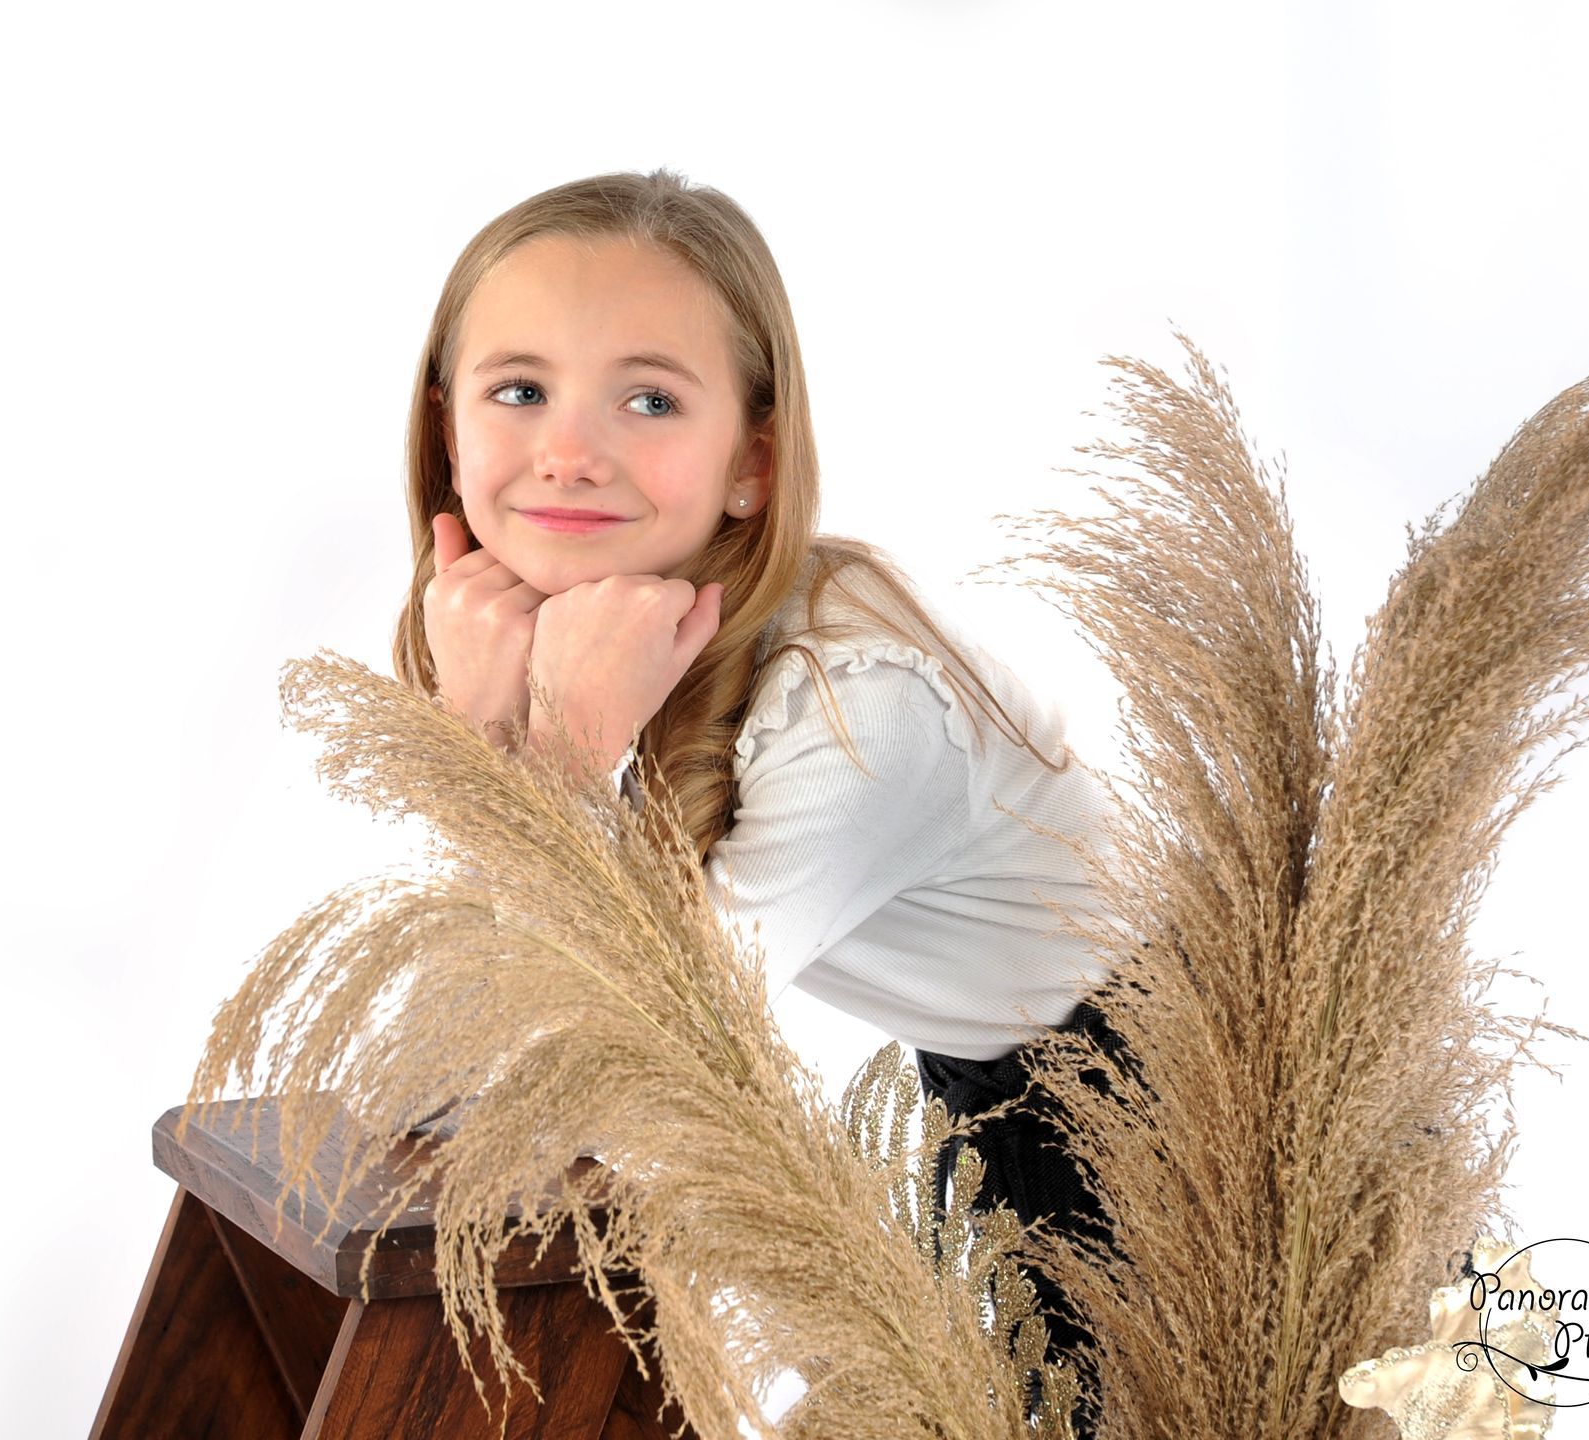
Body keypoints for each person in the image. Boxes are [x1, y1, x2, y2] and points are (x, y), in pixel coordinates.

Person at [390, 167, 1133, 1428]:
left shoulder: (861, 708)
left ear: (753, 463)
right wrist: (484, 737)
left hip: (1158, 1165)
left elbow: (606, 1075)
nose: (570, 449)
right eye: (520, 391)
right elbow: (456, 1074)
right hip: (997, 1134)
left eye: (650, 399)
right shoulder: (609, 640)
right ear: (450, 438)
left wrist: (551, 754)